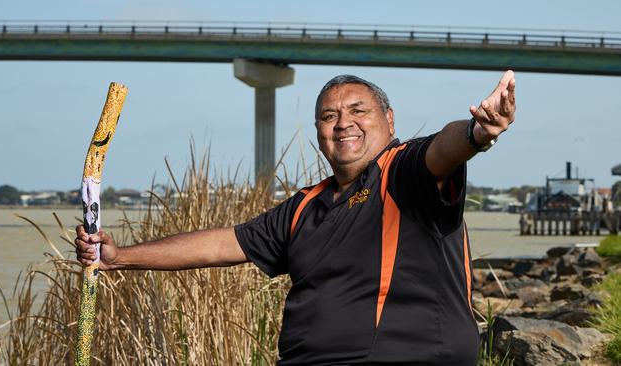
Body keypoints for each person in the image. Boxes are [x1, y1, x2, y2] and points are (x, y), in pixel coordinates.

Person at [76, 70, 516, 365]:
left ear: (389, 118)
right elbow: (222, 243)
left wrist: (479, 133)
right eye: (329, 116)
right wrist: (117, 258)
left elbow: (444, 147)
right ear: (319, 133)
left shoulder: (404, 171)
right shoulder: (306, 206)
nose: (343, 123)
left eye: (357, 110)